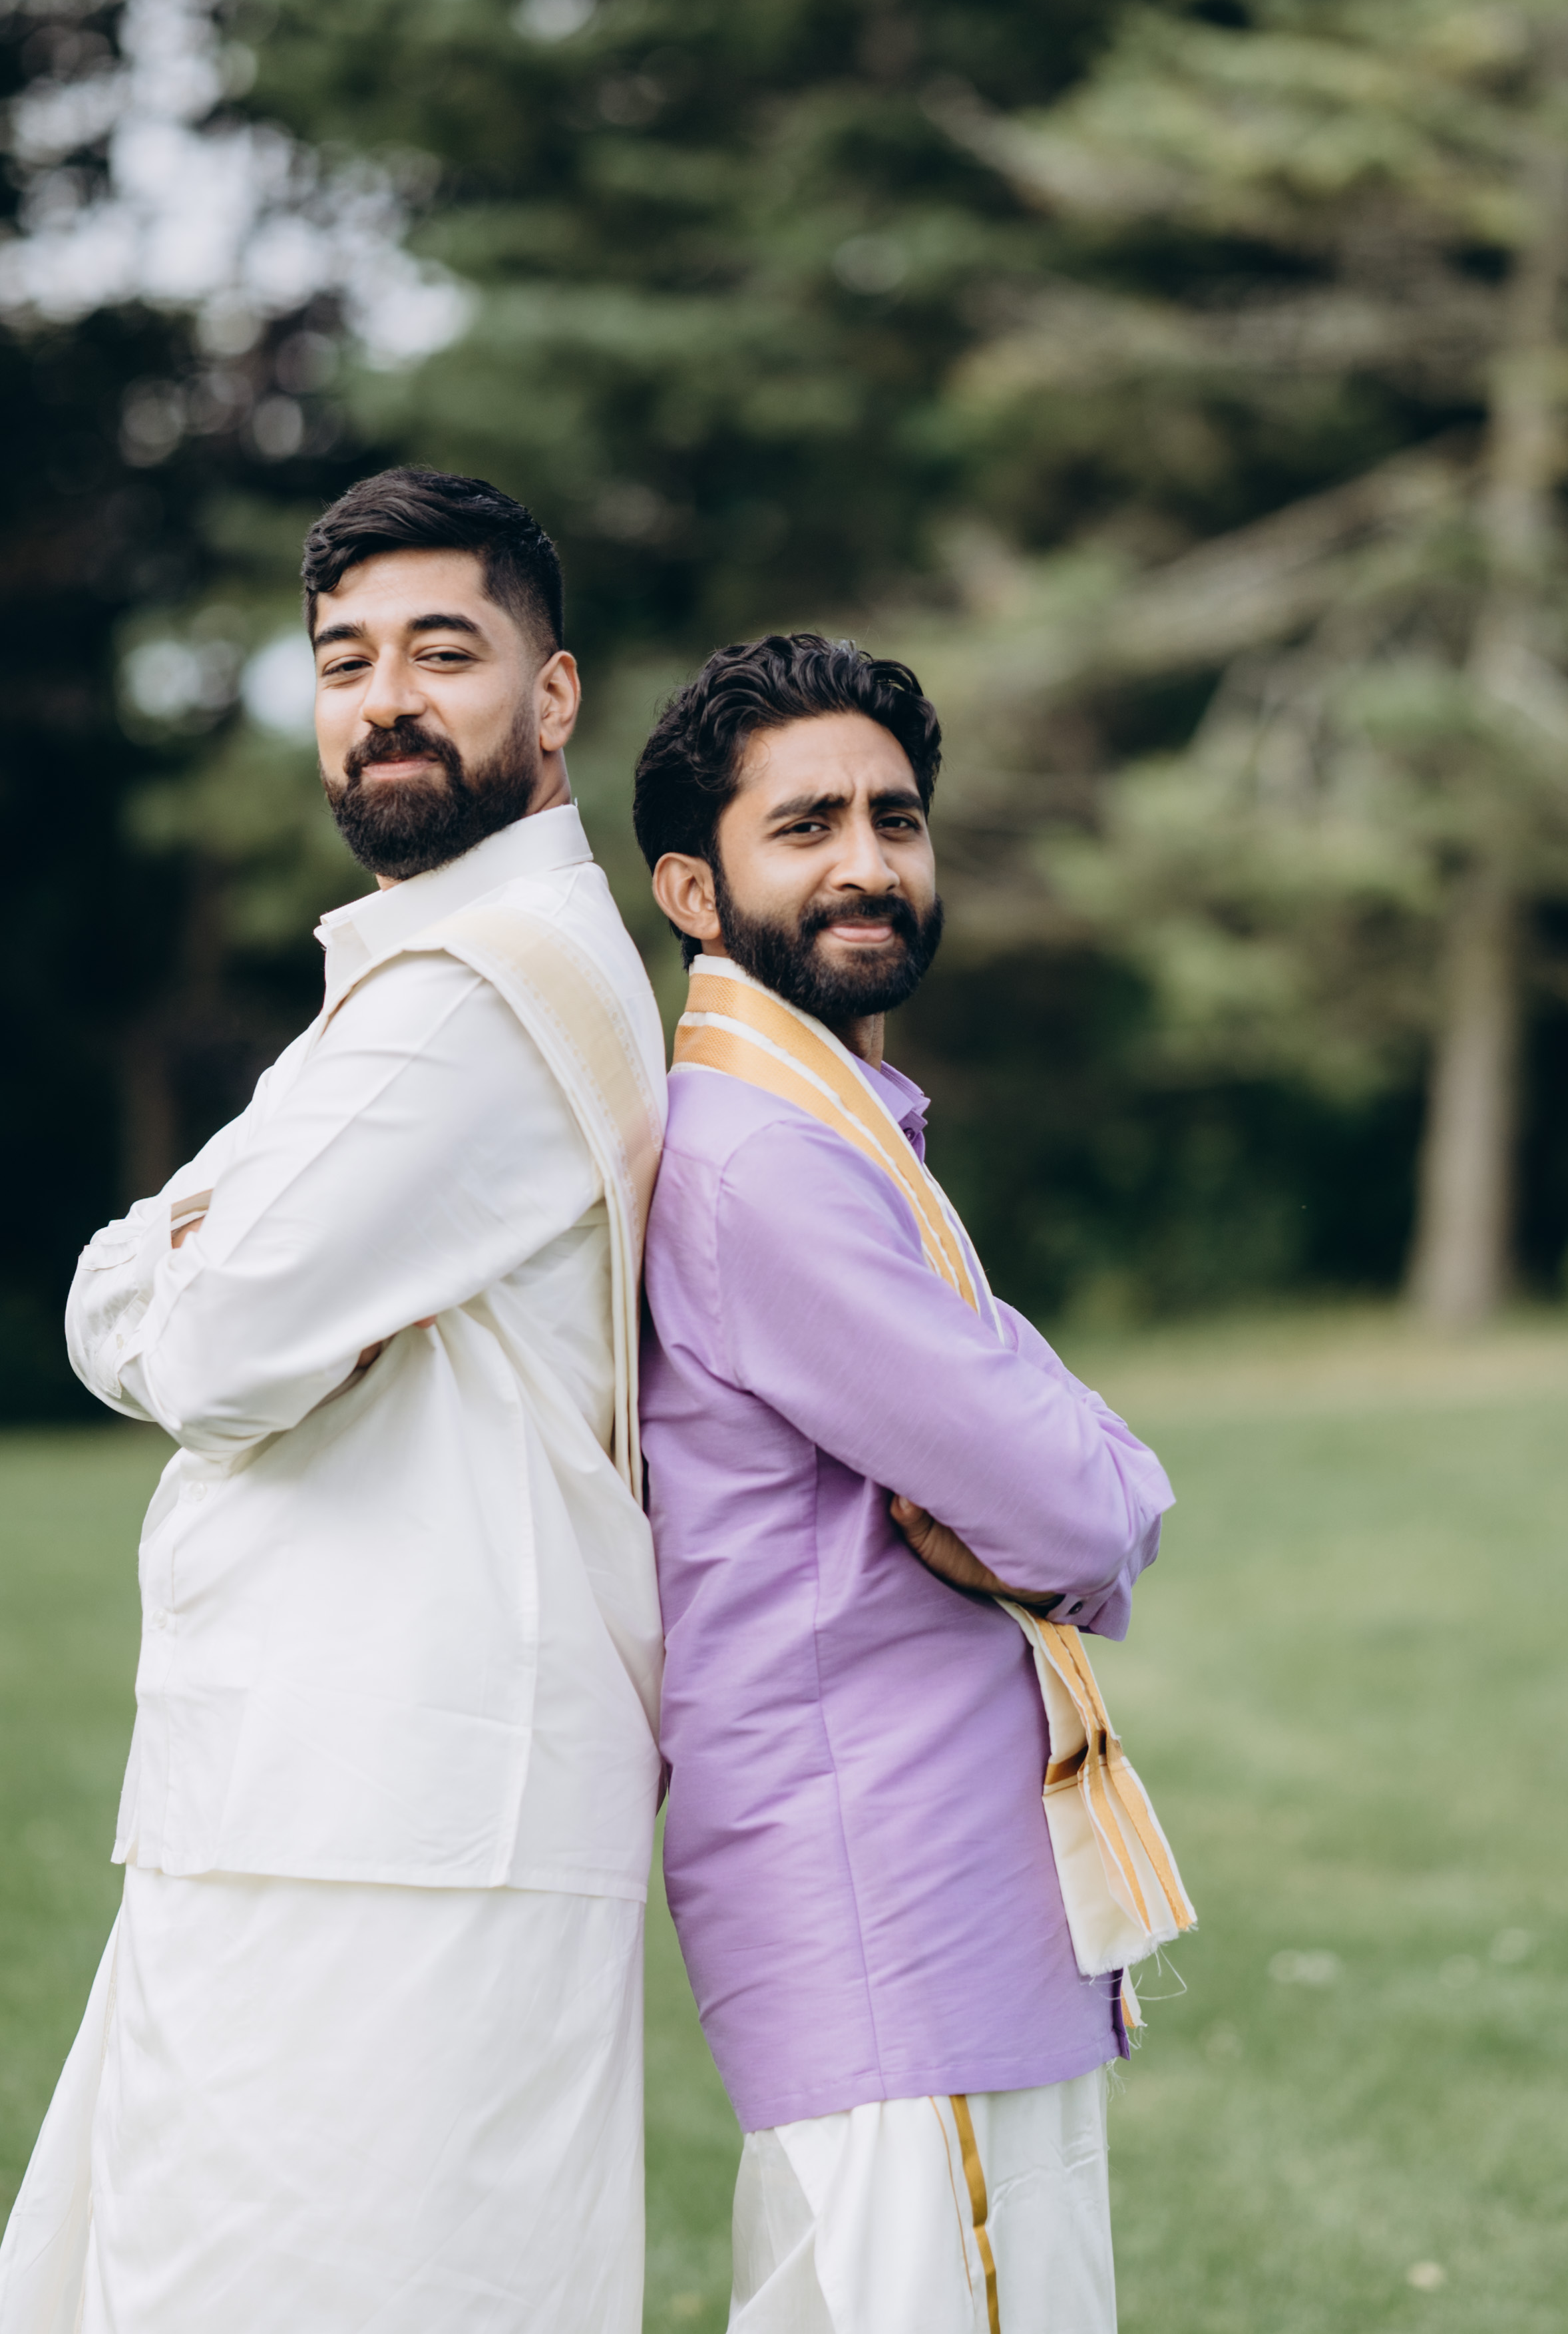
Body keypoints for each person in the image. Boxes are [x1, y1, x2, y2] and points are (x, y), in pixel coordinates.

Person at [0, 469, 670, 2334]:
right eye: (344, 658)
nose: (385, 698)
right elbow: (137, 1291)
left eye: (443, 651)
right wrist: (176, 1269)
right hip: (337, 1789)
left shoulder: (474, 997)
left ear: (551, 695)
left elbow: (196, 1344)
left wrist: (173, 1267)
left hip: (386, 1817)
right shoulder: (425, 977)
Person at [632, 636, 1184, 2334]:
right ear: (692, 889)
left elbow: (1041, 1472)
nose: (866, 859)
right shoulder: (766, 1164)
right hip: (895, 1919)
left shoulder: (826, 1128)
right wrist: (1079, 1471)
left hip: (914, 1927)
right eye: (803, 824)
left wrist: (1048, 1454)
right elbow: (1082, 1508)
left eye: (894, 816)